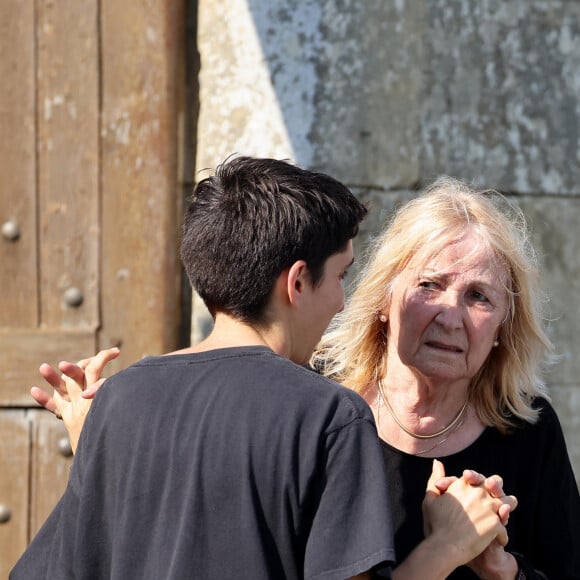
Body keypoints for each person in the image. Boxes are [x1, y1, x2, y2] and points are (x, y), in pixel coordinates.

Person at [11, 158, 515, 580]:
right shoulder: (329, 415)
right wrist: (445, 547)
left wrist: (105, 443)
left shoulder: (120, 401)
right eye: (340, 276)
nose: (342, 302)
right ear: (297, 283)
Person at [313, 176, 580, 578]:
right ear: (384, 298)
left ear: (502, 329)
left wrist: (504, 570)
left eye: (478, 296)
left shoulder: (528, 430)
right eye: (429, 284)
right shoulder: (318, 401)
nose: (450, 317)